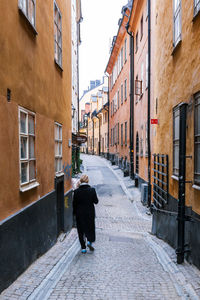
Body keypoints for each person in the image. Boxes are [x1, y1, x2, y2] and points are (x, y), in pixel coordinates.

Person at [73, 174, 99, 253]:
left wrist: (74, 213)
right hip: (89, 213)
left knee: (81, 230)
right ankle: (89, 241)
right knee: (90, 228)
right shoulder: (92, 190)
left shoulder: (76, 191)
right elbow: (96, 201)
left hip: (79, 213)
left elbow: (74, 204)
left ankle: (83, 248)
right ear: (87, 181)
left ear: (80, 181)